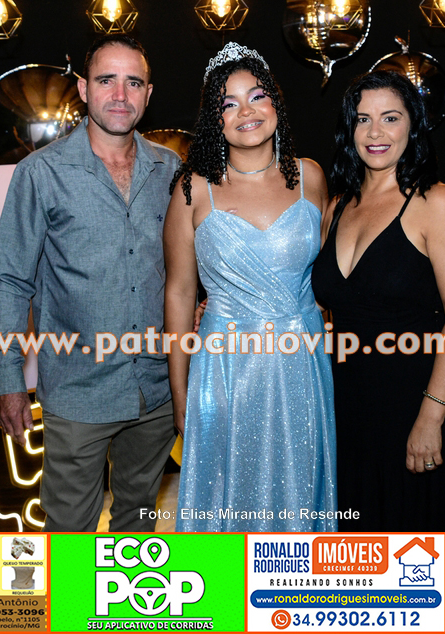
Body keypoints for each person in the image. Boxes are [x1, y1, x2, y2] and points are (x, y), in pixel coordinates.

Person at [0, 34, 179, 532]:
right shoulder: (40, 173)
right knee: (69, 534)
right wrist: (9, 381)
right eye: (106, 80)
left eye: (133, 82)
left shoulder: (171, 169)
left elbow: (187, 269)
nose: (120, 94)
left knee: (138, 523)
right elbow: (10, 282)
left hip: (156, 391)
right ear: (83, 88)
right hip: (78, 392)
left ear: (148, 94)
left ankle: (128, 588)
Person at [164, 42, 337, 531]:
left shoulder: (311, 177)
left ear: (275, 104)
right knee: (228, 499)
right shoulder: (192, 189)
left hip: (302, 362)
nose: (246, 111)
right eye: (229, 103)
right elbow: (179, 293)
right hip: (225, 368)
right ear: (213, 120)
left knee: (298, 495)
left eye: (257, 96)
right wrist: (180, 391)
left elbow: (327, 277)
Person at [311, 70, 445, 531]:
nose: (375, 132)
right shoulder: (337, 206)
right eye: (363, 119)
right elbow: (324, 311)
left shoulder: (437, 203)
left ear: (413, 124)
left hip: (417, 399)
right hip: (349, 406)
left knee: (417, 543)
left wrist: (431, 415)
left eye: (390, 118)